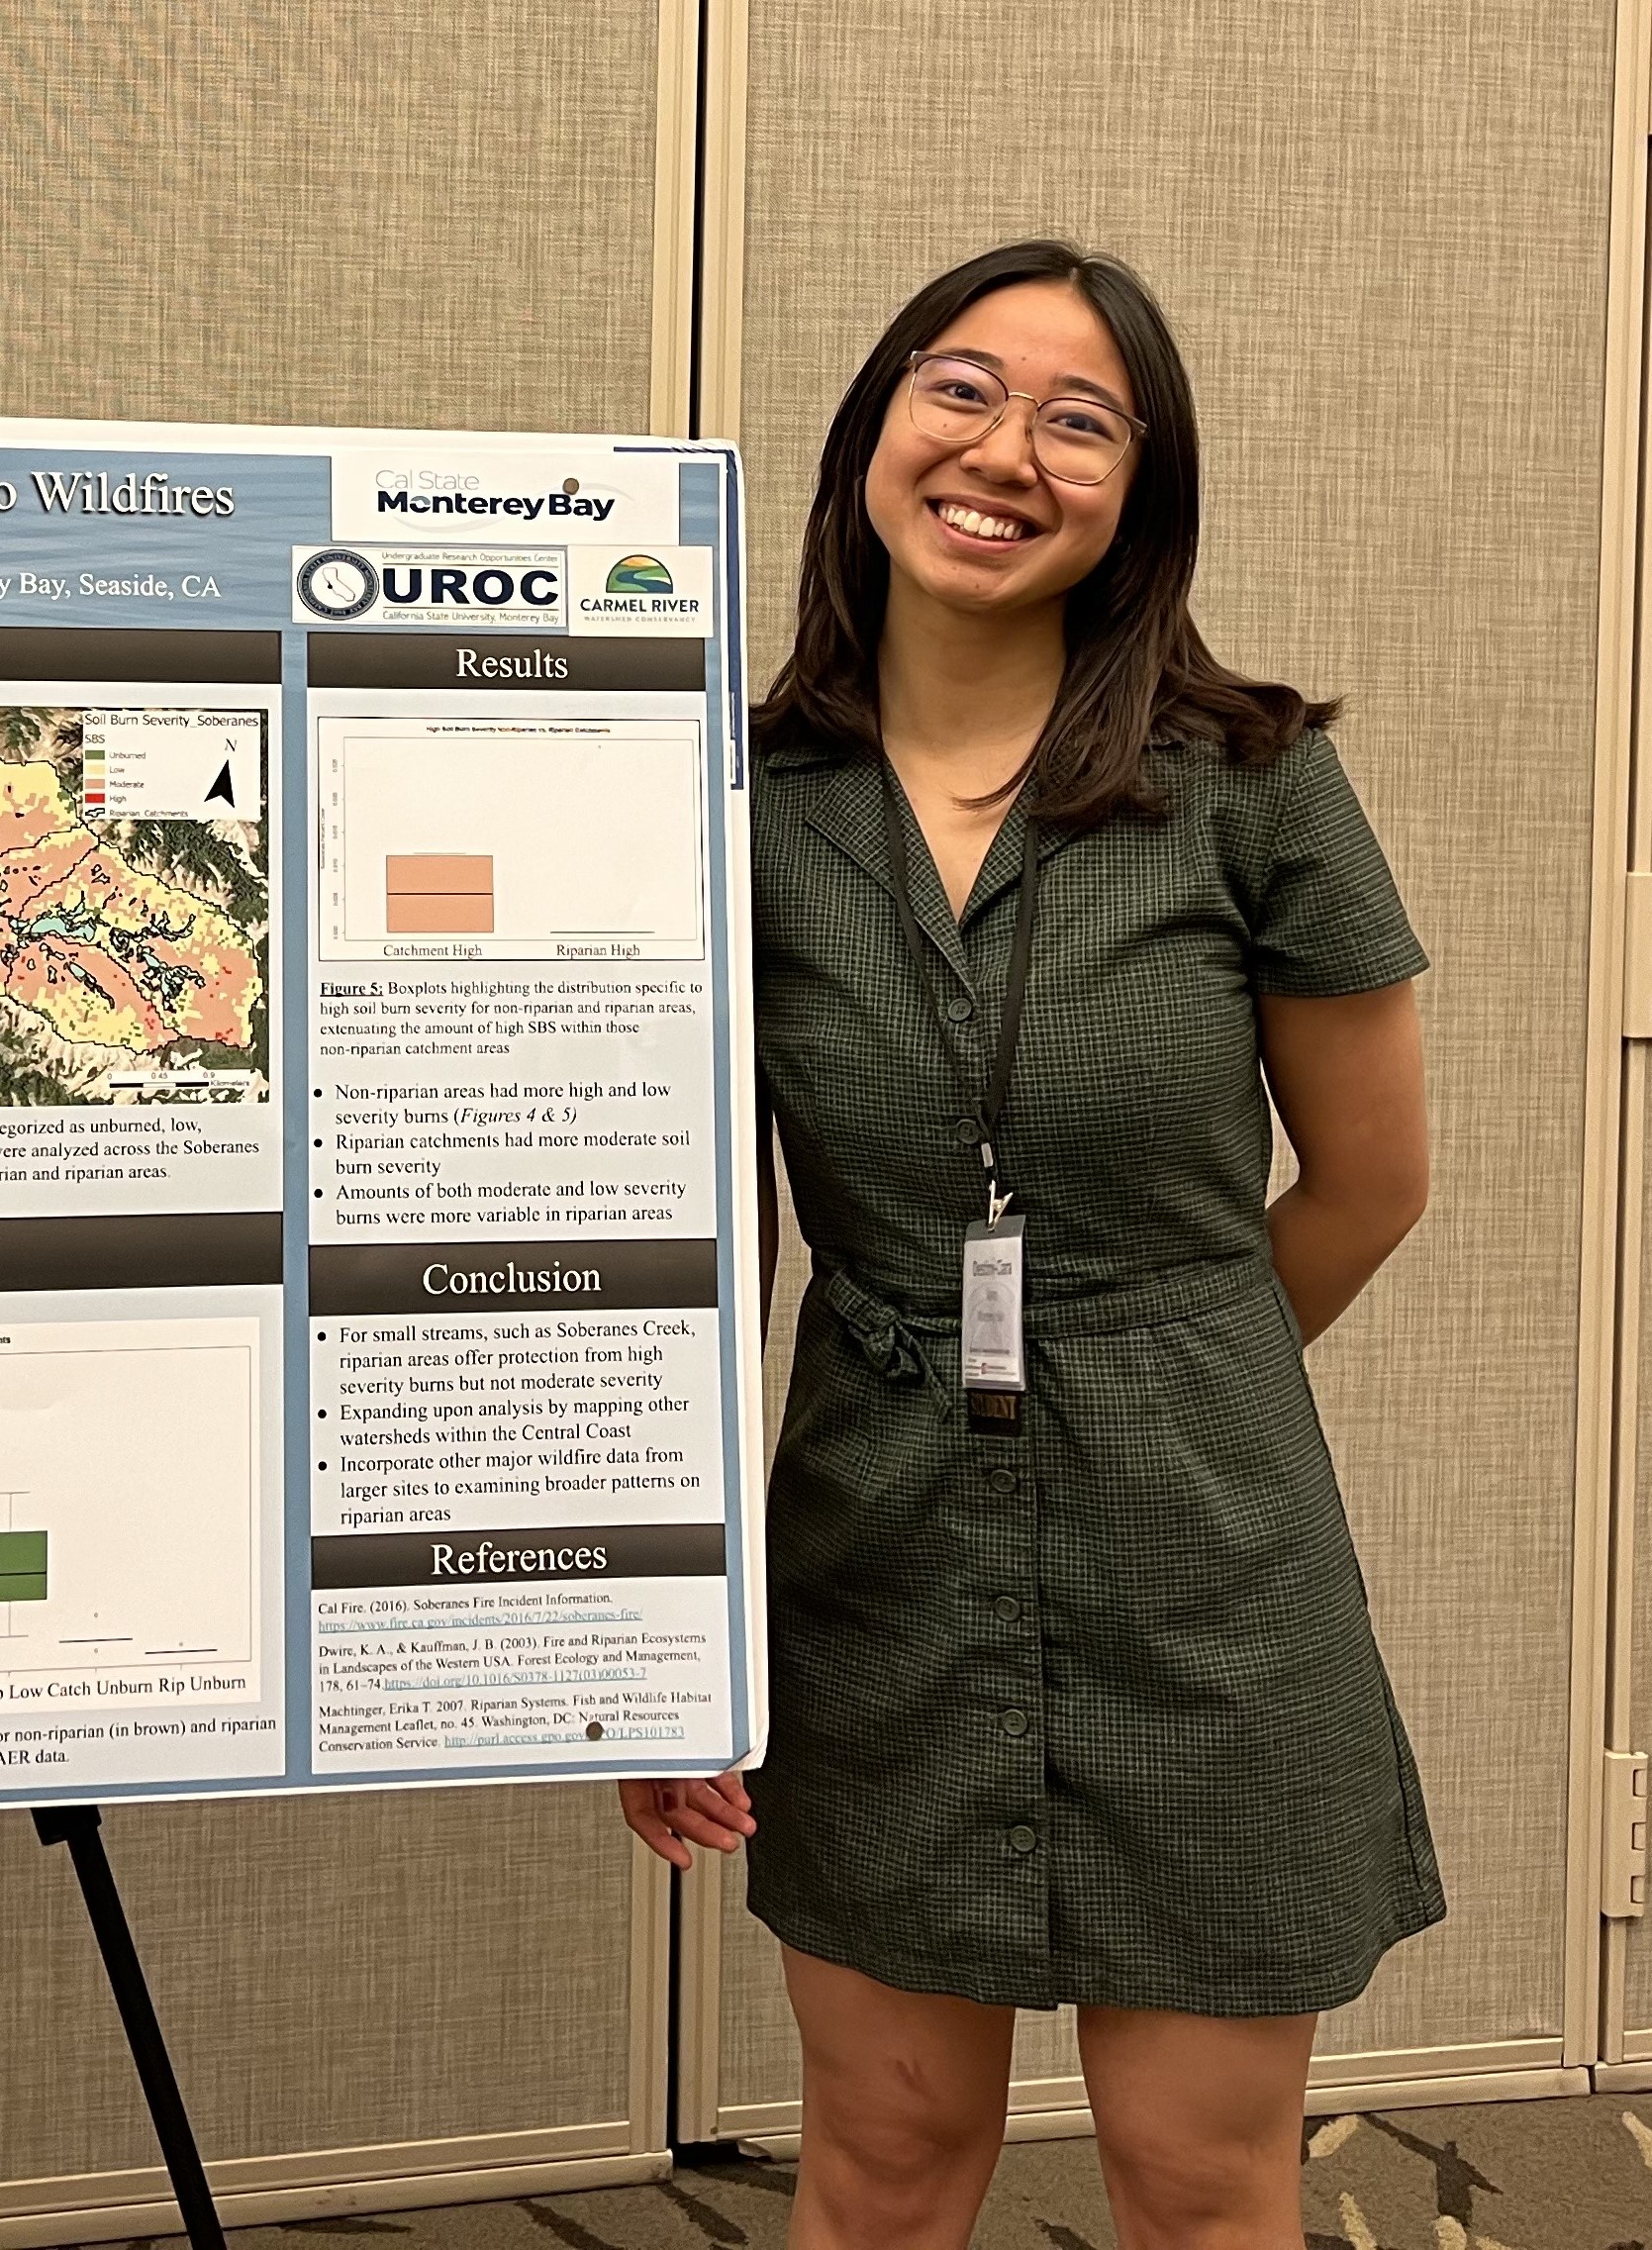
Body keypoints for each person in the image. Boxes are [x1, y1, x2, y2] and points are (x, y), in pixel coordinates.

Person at [620, 240, 1441, 2249]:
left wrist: (1161, 1369)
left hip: (1211, 1573)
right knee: (886, 2168)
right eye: (962, 390)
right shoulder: (731, 798)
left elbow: (1368, 1185)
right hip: (877, 1558)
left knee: (1200, 2181)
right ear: (875, 431)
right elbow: (681, 1259)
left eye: (1081, 421)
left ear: (1138, 498)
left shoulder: (1253, 784)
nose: (1005, 453)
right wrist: (659, 1645)